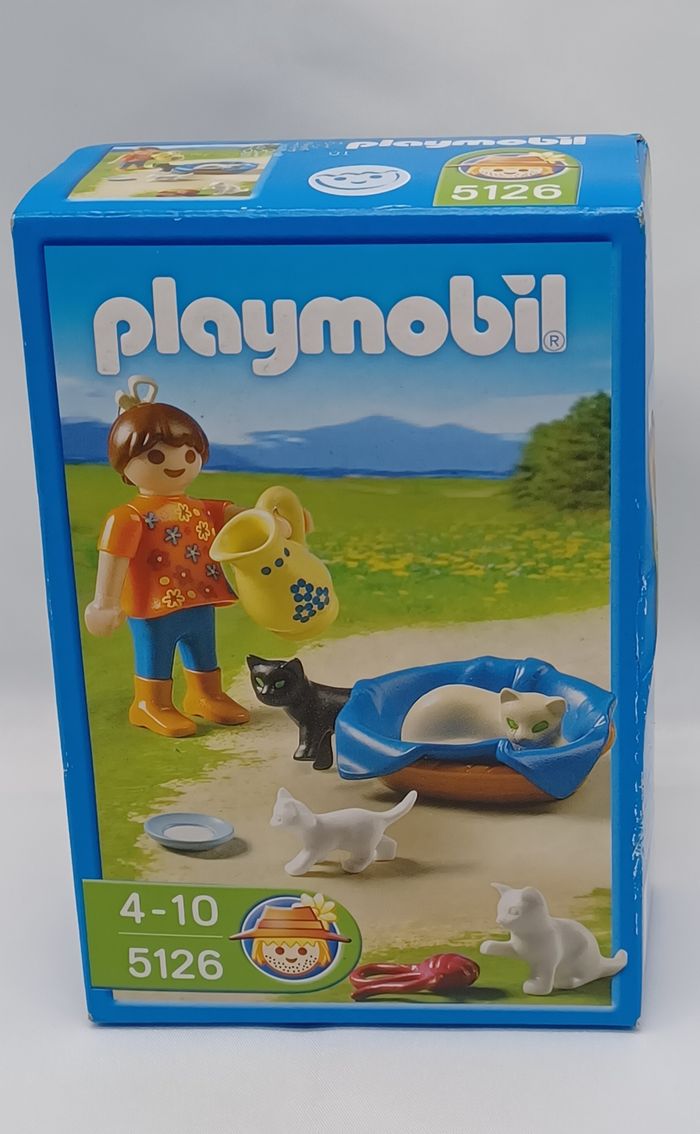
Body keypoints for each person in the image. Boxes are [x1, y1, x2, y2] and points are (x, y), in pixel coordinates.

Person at [84, 377, 250, 737]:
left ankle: (205, 695)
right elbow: (113, 558)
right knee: (156, 654)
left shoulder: (200, 508)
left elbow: (239, 517)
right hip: (153, 605)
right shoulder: (128, 517)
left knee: (203, 648)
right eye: (157, 456)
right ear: (125, 464)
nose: (177, 463)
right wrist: (104, 603)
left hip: (200, 597)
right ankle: (149, 704)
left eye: (189, 454)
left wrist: (274, 519)